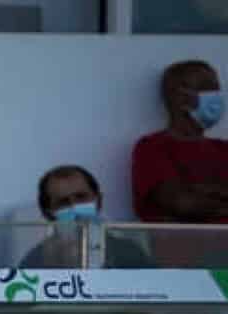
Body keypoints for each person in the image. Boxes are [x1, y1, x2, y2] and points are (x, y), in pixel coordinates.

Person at [131, 59, 228, 266]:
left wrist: (200, 193)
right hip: (184, 268)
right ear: (178, 97)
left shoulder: (223, 149)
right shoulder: (152, 147)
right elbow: (183, 204)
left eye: (217, 88)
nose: (216, 96)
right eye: (206, 88)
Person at [20, 166, 153, 269]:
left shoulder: (129, 252)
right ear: (48, 213)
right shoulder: (36, 259)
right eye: (63, 202)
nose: (74, 207)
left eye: (81, 197)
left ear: (98, 202)